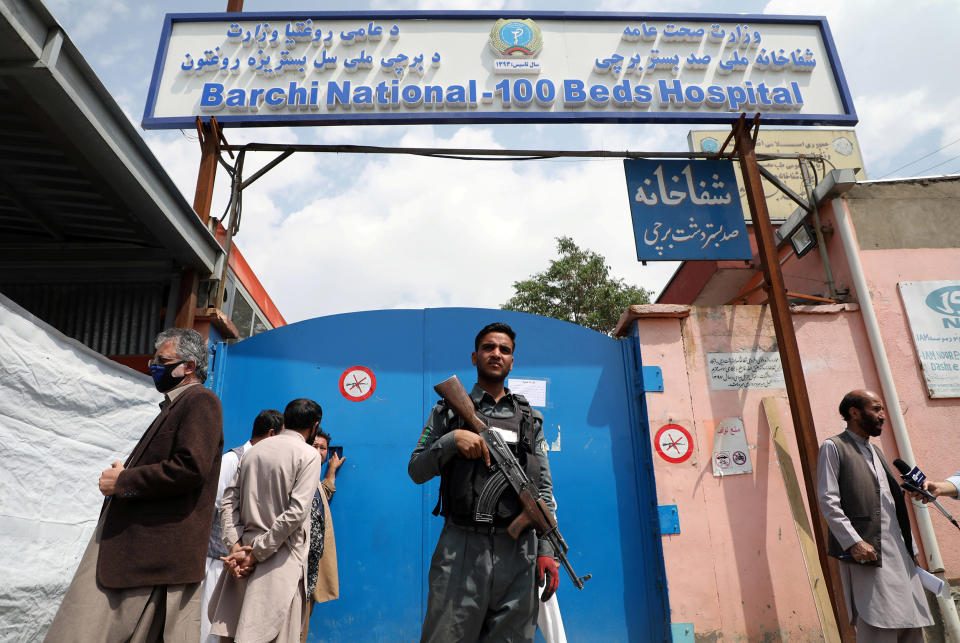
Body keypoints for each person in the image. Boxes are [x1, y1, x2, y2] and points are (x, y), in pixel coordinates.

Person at [45, 328, 223, 642]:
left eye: (163, 360)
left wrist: (123, 481)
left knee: (84, 629)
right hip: (142, 556)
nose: (153, 365)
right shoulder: (175, 405)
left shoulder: (200, 401)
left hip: (151, 557)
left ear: (190, 366)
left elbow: (190, 468)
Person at [409, 322, 559, 643]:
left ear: (512, 362)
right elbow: (416, 469)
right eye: (489, 348)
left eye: (505, 350)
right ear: (474, 357)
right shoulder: (446, 412)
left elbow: (542, 488)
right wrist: (451, 440)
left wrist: (547, 549)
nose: (497, 354)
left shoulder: (531, 419)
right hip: (461, 547)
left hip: (519, 553)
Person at [817, 389, 933, 641]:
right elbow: (828, 500)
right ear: (854, 412)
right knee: (879, 622)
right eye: (876, 409)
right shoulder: (834, 447)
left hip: (899, 554)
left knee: (912, 624)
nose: (883, 415)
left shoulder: (877, 451)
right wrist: (854, 542)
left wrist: (911, 547)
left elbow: (891, 505)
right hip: (868, 552)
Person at [208, 398, 324, 643]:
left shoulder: (254, 450)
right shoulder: (309, 455)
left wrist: (236, 547)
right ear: (314, 427)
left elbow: (228, 503)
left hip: (242, 561)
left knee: (235, 632)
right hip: (280, 560)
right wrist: (257, 552)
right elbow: (296, 513)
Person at [201, 409, 284, 642]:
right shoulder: (232, 459)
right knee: (212, 618)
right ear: (270, 435)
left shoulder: (263, 463)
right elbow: (215, 506)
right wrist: (234, 549)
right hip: (220, 556)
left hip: (244, 559)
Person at [301, 429, 346, 642]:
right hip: (297, 571)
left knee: (302, 625)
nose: (318, 452)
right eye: (315, 446)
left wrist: (331, 473)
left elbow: (322, 495)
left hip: (311, 573)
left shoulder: (315, 481)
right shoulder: (299, 477)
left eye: (323, 448)